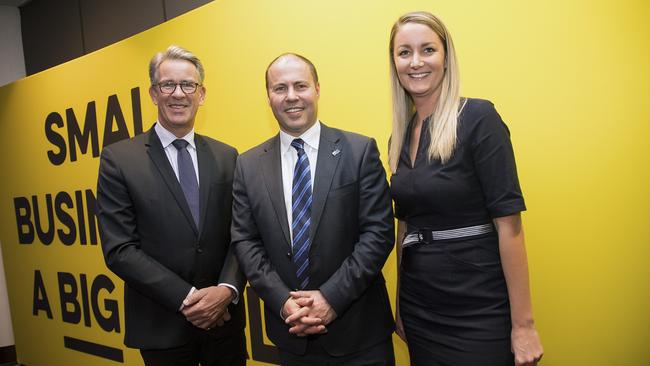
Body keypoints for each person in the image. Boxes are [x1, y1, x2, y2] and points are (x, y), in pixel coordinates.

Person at [388, 11, 544, 366]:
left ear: (446, 57)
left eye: (427, 49)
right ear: (394, 62)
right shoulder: (399, 137)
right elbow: (405, 228)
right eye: (404, 52)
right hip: (420, 308)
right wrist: (401, 307)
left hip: (477, 308)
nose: (416, 62)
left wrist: (524, 325)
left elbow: (510, 226)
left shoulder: (478, 118)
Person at [231, 53, 395, 365]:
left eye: (300, 86)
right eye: (280, 88)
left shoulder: (359, 151)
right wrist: (284, 303)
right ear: (268, 96)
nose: (291, 96)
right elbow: (245, 242)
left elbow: (378, 233)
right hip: (292, 336)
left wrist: (331, 297)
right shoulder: (248, 165)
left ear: (317, 89)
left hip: (360, 335)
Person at [96, 45, 246, 366]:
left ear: (201, 93)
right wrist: (190, 299)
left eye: (188, 85)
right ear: (153, 93)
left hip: (225, 323)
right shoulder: (119, 160)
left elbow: (242, 234)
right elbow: (119, 249)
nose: (178, 94)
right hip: (161, 327)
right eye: (168, 85)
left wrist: (225, 290)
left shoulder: (227, 156)